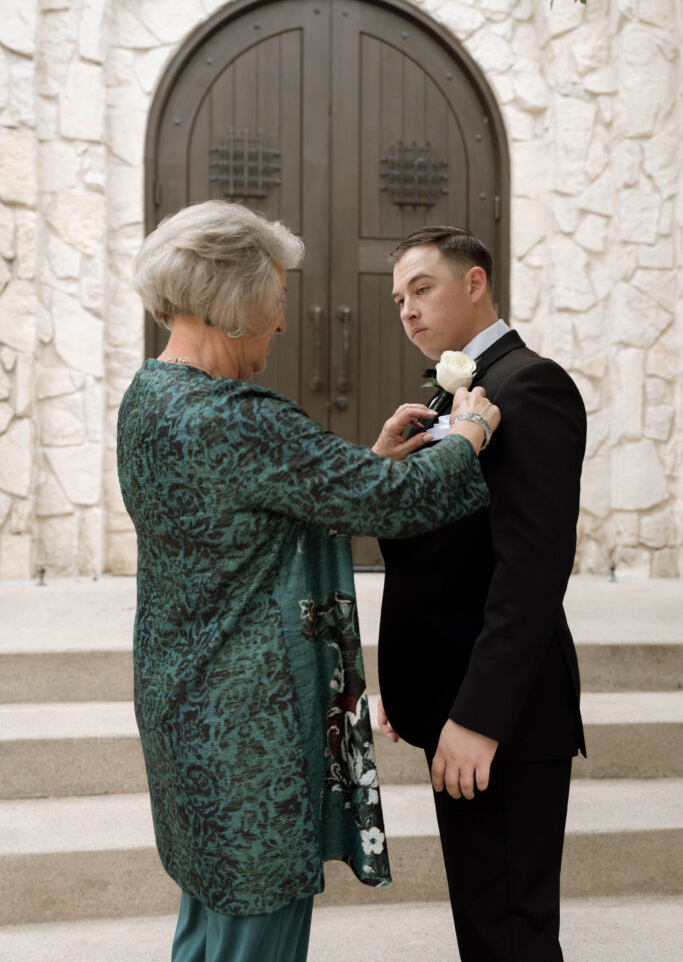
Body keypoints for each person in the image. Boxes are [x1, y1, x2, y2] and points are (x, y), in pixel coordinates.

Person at [116, 201, 500, 962]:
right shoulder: (237, 418)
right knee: (255, 932)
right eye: (275, 304)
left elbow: (254, 509)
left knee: (209, 922)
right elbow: (398, 505)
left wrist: (374, 457)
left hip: (181, 702)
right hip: (246, 727)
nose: (281, 325)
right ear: (232, 308)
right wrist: (469, 436)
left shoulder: (148, 398)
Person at [375, 226, 586, 962]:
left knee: (509, 934)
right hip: (450, 704)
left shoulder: (533, 385)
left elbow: (531, 568)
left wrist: (479, 716)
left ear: (475, 284)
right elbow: (434, 560)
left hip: (504, 717)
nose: (406, 310)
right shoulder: (443, 399)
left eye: (421, 288)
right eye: (398, 298)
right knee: (483, 926)